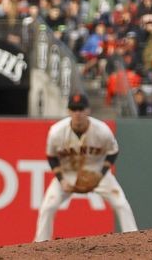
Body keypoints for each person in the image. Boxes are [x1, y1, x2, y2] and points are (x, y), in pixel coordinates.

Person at [35, 93, 137, 242]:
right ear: (69, 111)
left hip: (96, 171)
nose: (77, 113)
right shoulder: (56, 132)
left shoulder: (102, 130)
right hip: (68, 173)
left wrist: (100, 175)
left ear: (88, 110)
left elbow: (113, 151)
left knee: (121, 203)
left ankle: (134, 240)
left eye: (81, 109)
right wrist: (61, 180)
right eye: (74, 109)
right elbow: (51, 156)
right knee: (48, 207)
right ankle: (39, 245)